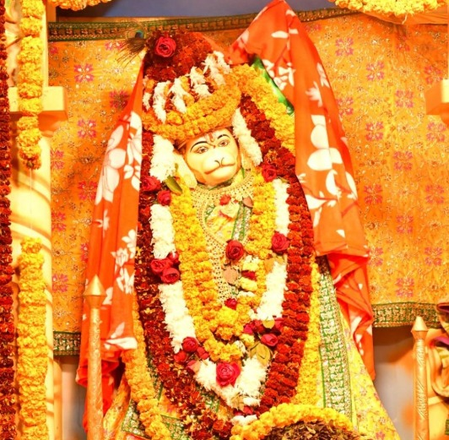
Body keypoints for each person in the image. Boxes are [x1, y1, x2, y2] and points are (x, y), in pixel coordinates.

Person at [77, 12, 400, 440]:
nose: (217, 155)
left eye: (223, 141)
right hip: (187, 353)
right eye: (201, 148)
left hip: (282, 341)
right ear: (178, 158)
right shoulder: (164, 208)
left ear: (241, 138)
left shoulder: (276, 190)